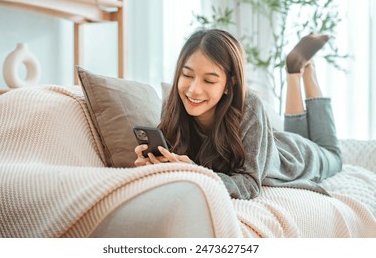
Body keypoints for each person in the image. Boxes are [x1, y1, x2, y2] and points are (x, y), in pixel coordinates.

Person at [134, 28, 342, 200]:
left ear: (229, 84)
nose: (193, 90)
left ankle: (305, 72)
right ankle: (295, 71)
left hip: (298, 157)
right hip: (274, 144)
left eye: (209, 80)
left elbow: (249, 184)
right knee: (301, 137)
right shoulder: (174, 103)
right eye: (187, 75)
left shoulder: (249, 106)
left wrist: (197, 173)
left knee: (332, 154)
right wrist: (151, 168)